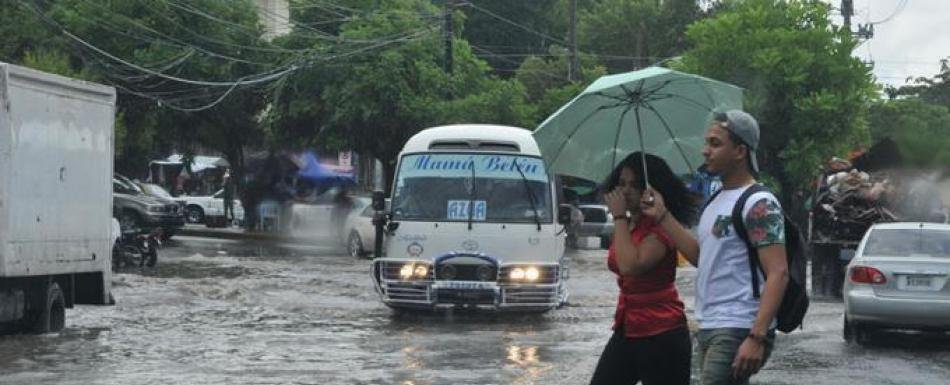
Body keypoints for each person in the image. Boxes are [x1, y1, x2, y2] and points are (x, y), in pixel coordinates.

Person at [641, 110, 789, 385]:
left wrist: (756, 337)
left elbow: (778, 272)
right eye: (706, 143)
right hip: (709, 323)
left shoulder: (759, 203)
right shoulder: (715, 199)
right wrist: (662, 216)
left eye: (715, 143)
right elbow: (701, 257)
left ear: (740, 151)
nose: (705, 151)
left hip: (738, 325)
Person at [588, 152, 698, 385]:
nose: (626, 191)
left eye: (634, 185)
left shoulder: (659, 229)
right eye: (622, 183)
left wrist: (618, 216)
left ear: (651, 189)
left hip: (662, 332)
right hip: (628, 326)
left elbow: (630, 265)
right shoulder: (629, 224)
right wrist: (622, 220)